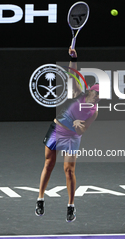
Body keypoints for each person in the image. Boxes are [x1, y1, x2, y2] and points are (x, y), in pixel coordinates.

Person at [35, 47, 100, 222]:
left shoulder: (93, 112)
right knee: (49, 164)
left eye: (101, 96)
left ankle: (71, 206)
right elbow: (73, 75)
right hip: (57, 130)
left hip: (73, 137)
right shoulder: (77, 94)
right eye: (97, 94)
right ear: (90, 92)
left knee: (69, 171)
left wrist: (78, 126)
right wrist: (74, 57)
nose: (98, 98)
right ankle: (40, 199)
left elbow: (83, 130)